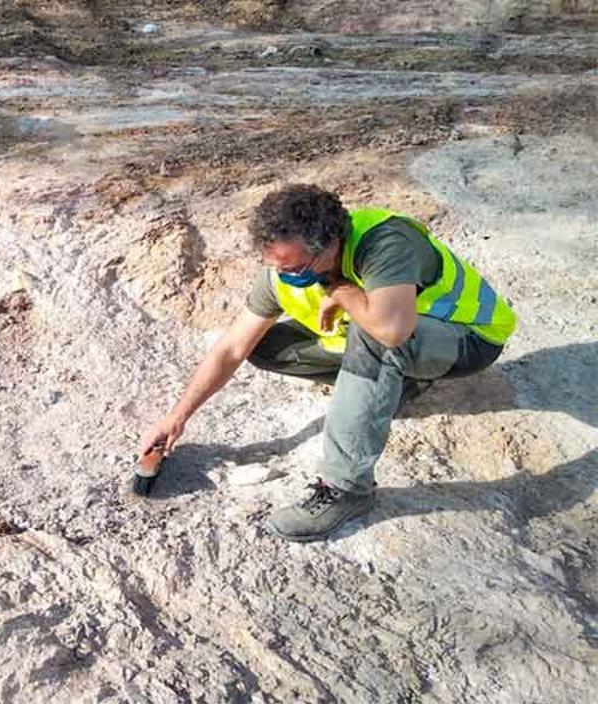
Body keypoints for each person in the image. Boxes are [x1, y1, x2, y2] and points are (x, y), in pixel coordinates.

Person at [139, 184, 517, 541]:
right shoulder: (283, 270)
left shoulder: (386, 242)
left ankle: (348, 488)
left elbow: (391, 329)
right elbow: (231, 348)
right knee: (265, 346)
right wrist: (178, 416)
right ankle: (391, 388)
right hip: (396, 337)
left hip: (468, 338)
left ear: (328, 246)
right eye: (273, 264)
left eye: (292, 267)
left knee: (375, 335)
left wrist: (345, 292)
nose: (280, 274)